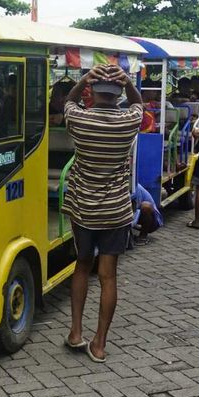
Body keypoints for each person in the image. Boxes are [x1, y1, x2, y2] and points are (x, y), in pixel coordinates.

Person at [62, 63, 143, 363]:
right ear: (118, 94)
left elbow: (67, 102)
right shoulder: (128, 122)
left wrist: (83, 79)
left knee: (82, 267)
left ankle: (75, 332)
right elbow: (139, 104)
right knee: (108, 277)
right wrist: (130, 83)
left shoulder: (80, 120)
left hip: (83, 210)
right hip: (116, 211)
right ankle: (99, 344)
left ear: (92, 93)